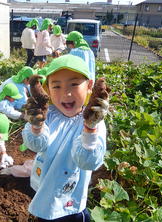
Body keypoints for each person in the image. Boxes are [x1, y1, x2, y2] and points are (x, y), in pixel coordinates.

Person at [22, 55, 109, 221]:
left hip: (71, 197)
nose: (66, 93)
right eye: (56, 86)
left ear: (89, 85)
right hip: (44, 189)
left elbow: (88, 162)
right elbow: (36, 145)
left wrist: (89, 129)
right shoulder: (48, 115)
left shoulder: (94, 121)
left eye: (74, 84)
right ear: (47, 89)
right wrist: (36, 126)